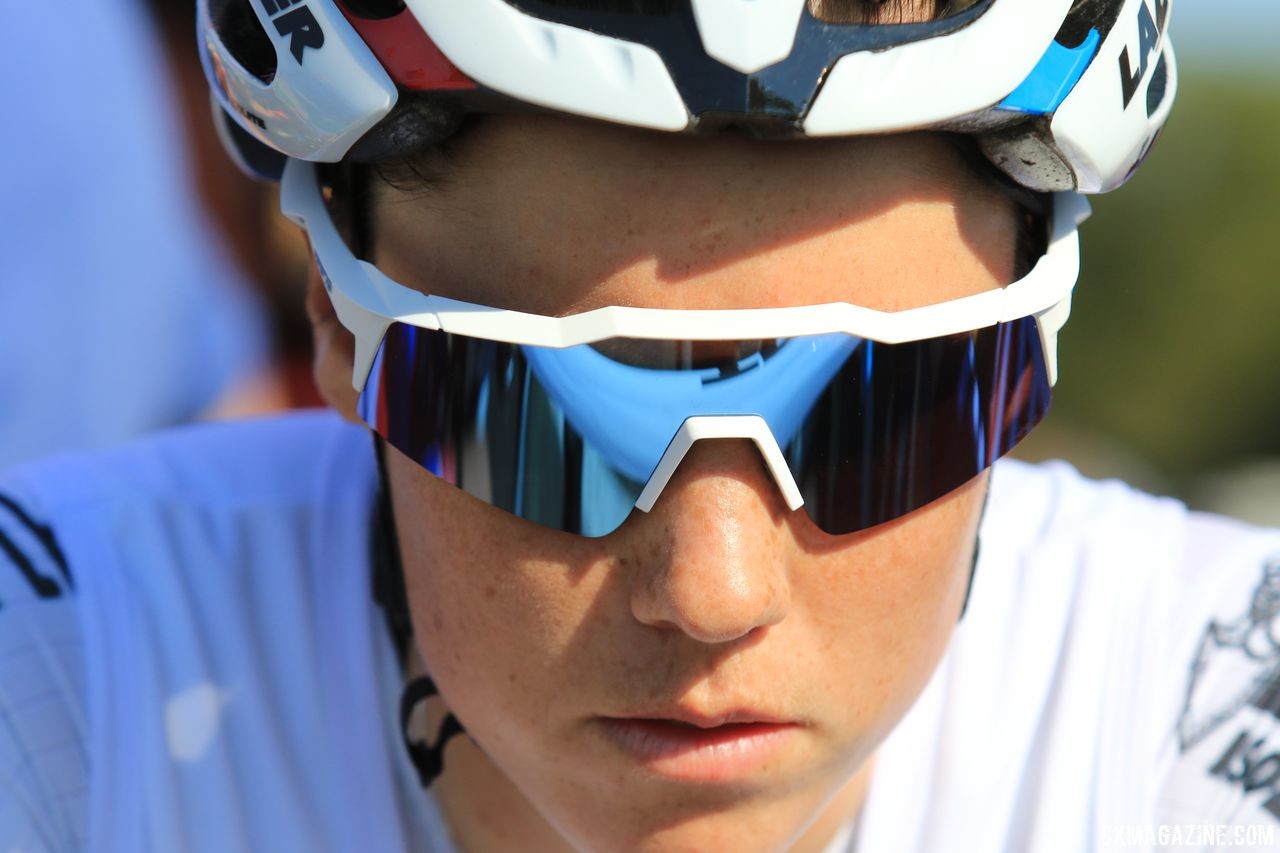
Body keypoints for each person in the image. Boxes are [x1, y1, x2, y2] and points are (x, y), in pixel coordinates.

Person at [2, 0, 1277, 851]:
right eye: (542, 412)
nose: (711, 593)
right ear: (336, 325)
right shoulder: (50, 690)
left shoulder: (1202, 733)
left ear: (1036, 341)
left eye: (881, 410)